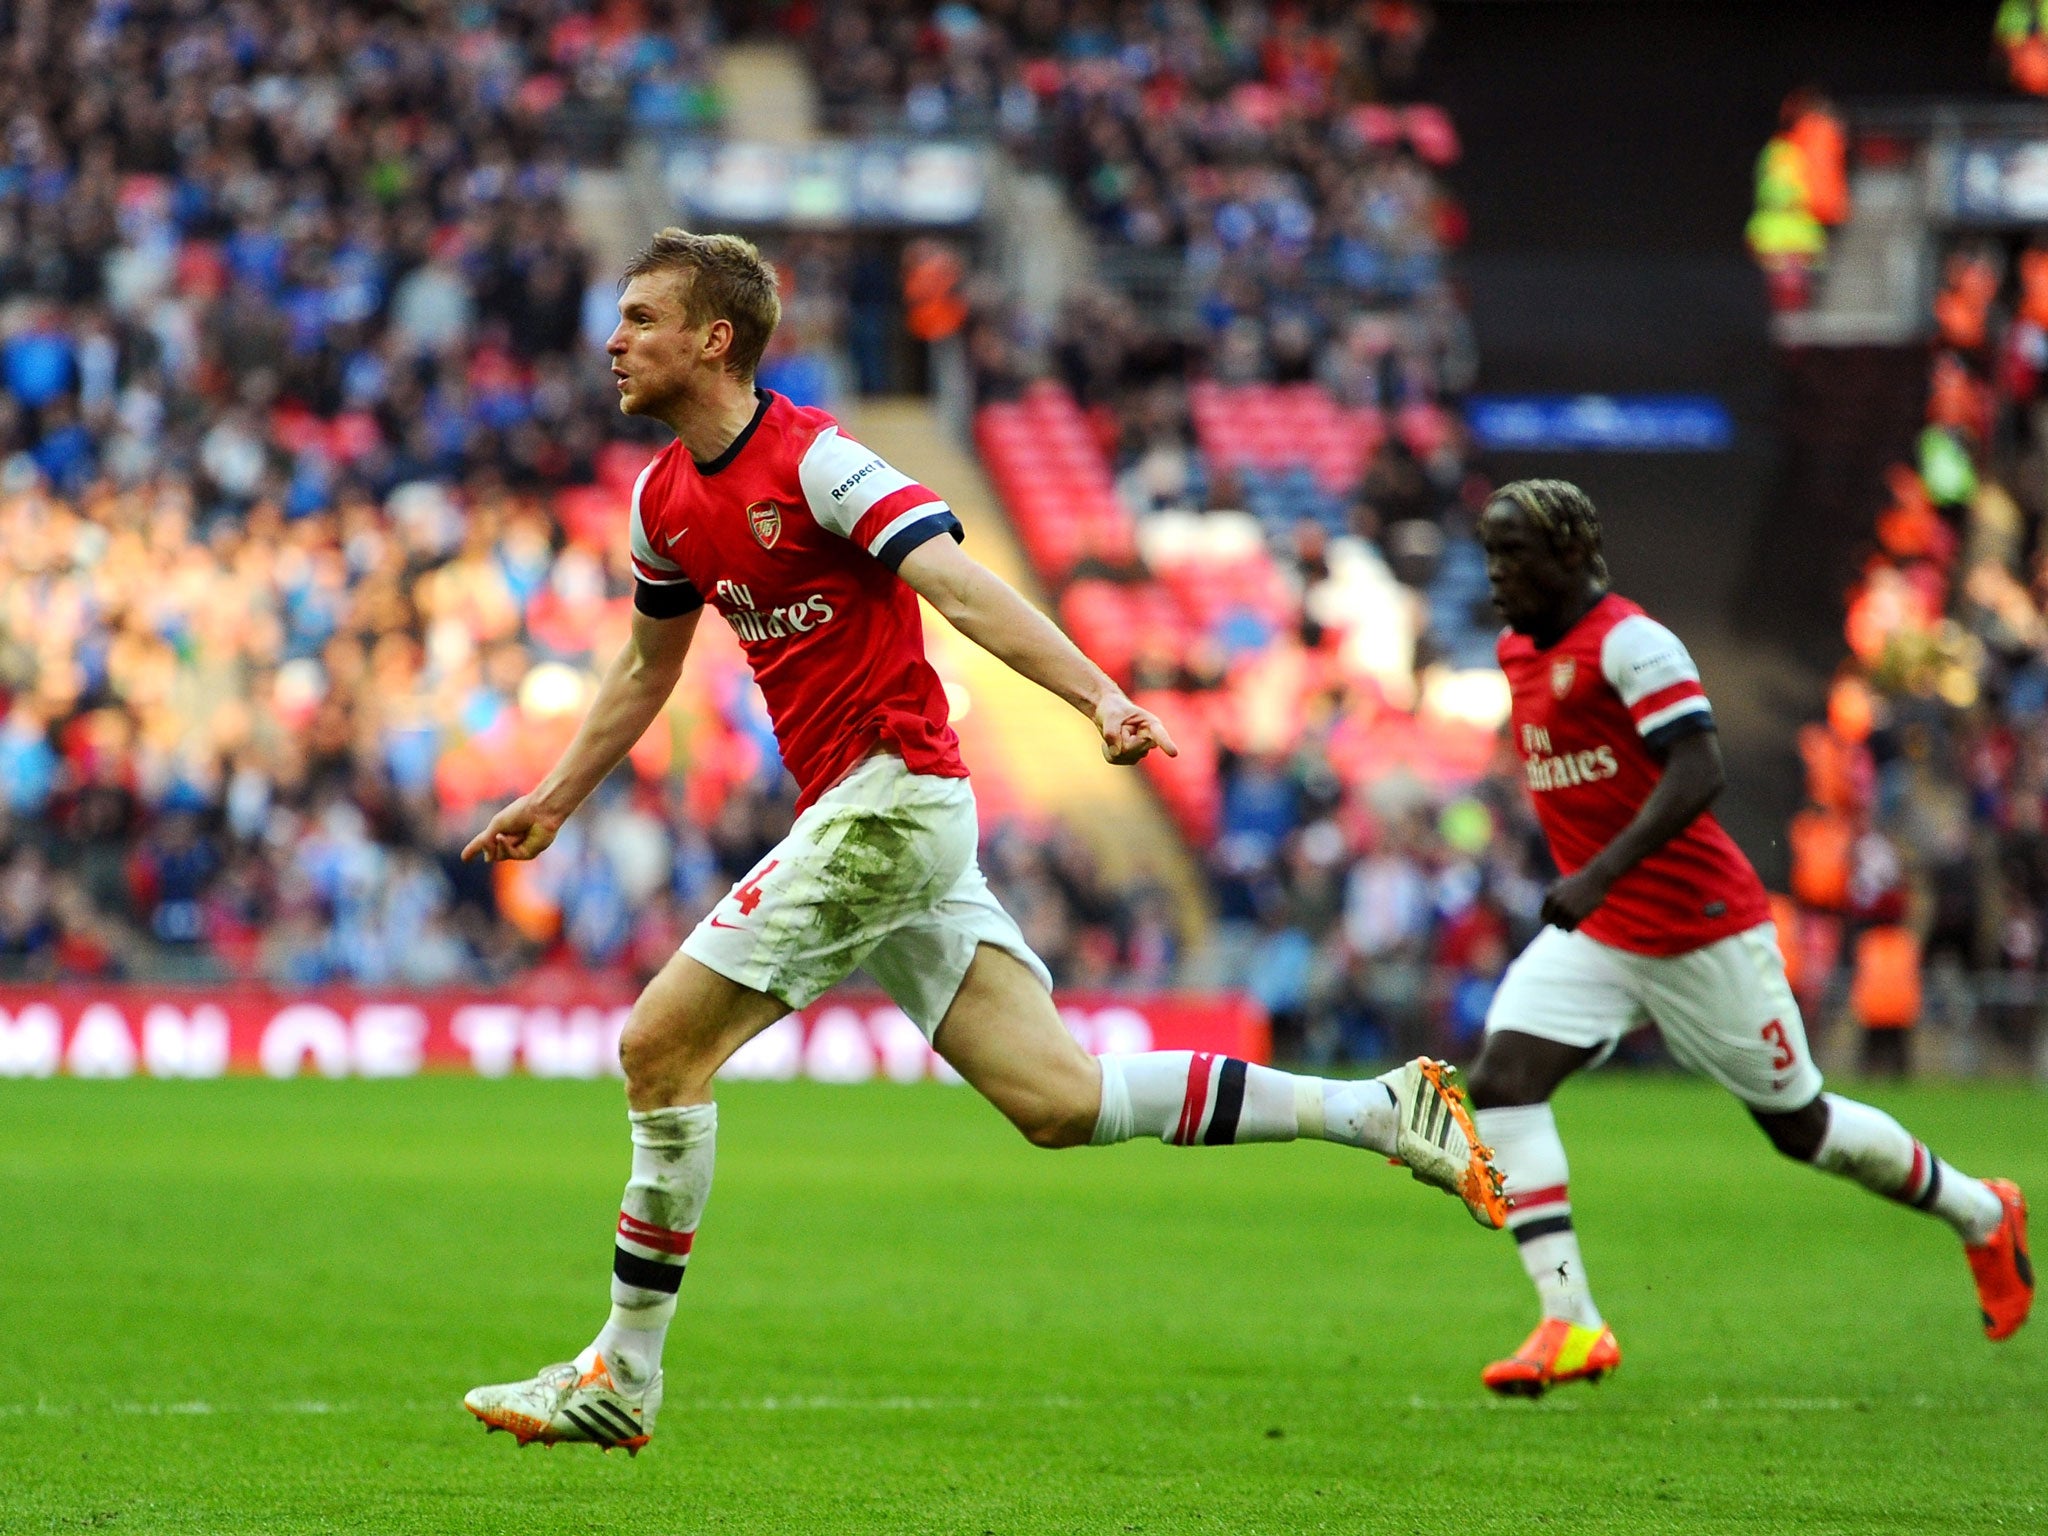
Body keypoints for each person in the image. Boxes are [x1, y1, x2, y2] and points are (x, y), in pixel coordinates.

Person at [459, 230, 1507, 1453]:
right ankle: (1379, 1112)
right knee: (1059, 1101)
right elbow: (648, 667)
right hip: (878, 819)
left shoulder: (820, 464)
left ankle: (623, 1374)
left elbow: (961, 588)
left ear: (714, 338)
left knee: (655, 1052)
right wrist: (555, 796)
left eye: (640, 317)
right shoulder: (660, 501)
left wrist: (1099, 696)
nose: (612, 338)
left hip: (891, 798)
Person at [1465, 479, 2032, 1398]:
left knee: (1803, 1129)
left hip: (1699, 933)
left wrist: (1600, 868)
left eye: (1513, 556)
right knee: (1502, 1081)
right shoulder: (1514, 650)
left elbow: (1701, 770)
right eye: (1490, 555)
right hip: (1602, 934)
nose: (1496, 576)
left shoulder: (1635, 644)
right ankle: (1569, 1322)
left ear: (1571, 555)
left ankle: (1981, 1212)